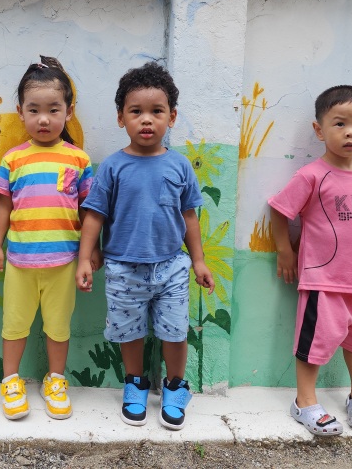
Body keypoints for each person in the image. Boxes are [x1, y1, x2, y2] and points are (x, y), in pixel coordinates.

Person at [76, 62, 214, 431]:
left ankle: (175, 387)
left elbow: (189, 217)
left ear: (172, 116)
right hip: (123, 268)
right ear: (121, 118)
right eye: (136, 111)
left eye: (157, 111)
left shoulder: (180, 166)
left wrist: (199, 261)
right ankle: (135, 384)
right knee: (129, 331)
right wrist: (85, 258)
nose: (147, 120)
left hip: (171, 267)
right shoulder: (112, 167)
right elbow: (94, 216)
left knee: (175, 331)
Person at [268, 85, 352, 437]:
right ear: (319, 130)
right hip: (324, 282)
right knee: (314, 344)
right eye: (340, 124)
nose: (351, 132)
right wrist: (285, 251)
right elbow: (280, 210)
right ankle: (304, 402)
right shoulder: (312, 175)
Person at [0, 57, 95, 421]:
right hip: (20, 261)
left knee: (58, 327)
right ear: (20, 112)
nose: (44, 119)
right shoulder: (13, 160)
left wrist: (89, 253)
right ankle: (10, 380)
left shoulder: (79, 160)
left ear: (69, 111)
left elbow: (88, 211)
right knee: (14, 325)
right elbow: (4, 206)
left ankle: (56, 380)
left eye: (53, 110)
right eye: (34, 110)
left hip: (64, 263)